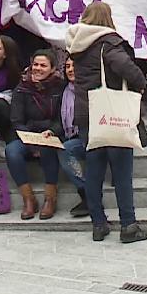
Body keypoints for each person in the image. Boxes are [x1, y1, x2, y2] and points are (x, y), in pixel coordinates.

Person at [66, 1, 147, 243]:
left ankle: (99, 224)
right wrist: (141, 84)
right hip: (113, 114)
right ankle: (128, 225)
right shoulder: (108, 43)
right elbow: (126, 68)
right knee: (122, 173)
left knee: (94, 172)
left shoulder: (76, 44)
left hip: (87, 116)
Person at [8, 50, 67, 220]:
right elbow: (17, 120)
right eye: (36, 64)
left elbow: (62, 118)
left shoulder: (60, 87)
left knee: (48, 147)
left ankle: (50, 197)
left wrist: (51, 131)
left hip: (51, 133)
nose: (38, 68)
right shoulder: (21, 88)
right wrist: (31, 140)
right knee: (12, 152)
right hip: (27, 135)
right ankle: (28, 199)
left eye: (43, 65)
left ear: (52, 68)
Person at [59, 57, 88, 217]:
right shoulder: (65, 91)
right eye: (67, 66)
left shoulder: (92, 87)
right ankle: (85, 192)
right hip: (75, 137)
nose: (70, 70)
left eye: (74, 66)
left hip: (95, 134)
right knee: (65, 149)